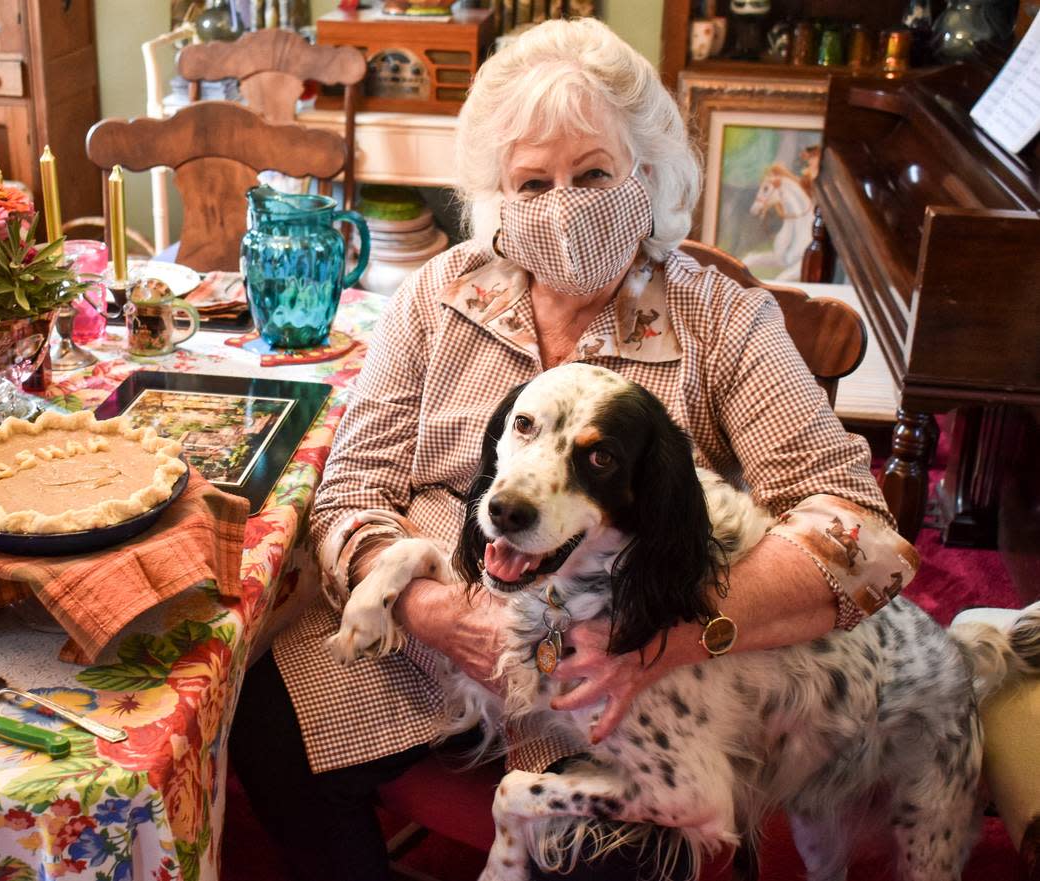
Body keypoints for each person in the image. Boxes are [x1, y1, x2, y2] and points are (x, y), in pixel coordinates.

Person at [229, 18, 918, 881]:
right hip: (440, 637)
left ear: (648, 173)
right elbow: (351, 488)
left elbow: (863, 536)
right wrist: (430, 613)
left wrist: (674, 637)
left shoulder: (722, 318)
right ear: (497, 195)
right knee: (264, 720)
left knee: (615, 855)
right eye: (533, 181)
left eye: (593, 173)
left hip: (624, 664)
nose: (566, 205)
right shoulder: (439, 294)